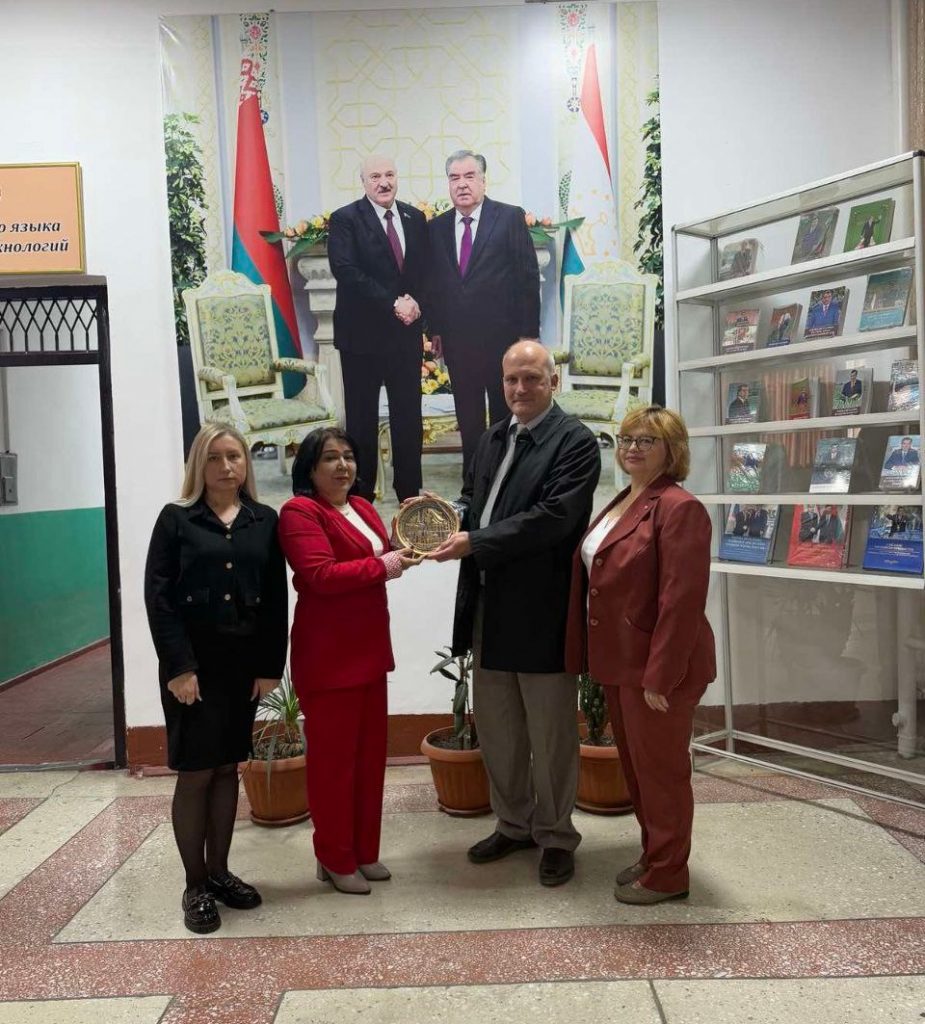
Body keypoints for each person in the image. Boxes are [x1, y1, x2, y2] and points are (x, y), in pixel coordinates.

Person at [429, 340, 600, 887]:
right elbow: (471, 497)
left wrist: (475, 542)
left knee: (550, 734)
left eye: (531, 378)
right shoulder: (493, 437)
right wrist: (442, 517)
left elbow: (554, 518)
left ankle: (556, 835)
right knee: (499, 728)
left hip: (542, 608)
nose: (520, 389)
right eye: (511, 380)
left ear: (553, 382)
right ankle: (514, 824)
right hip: (488, 604)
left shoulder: (575, 442)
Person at [564, 406, 715, 905]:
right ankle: (655, 855)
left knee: (662, 775)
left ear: (673, 449)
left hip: (659, 670)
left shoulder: (680, 507)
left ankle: (670, 873)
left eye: (647, 440)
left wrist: (660, 676)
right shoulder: (625, 499)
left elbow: (682, 600)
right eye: (627, 438)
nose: (632, 447)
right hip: (621, 662)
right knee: (638, 771)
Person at [144, 423, 288, 934]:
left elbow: (275, 600)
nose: (227, 466)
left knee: (228, 767)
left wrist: (270, 666)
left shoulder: (263, 520)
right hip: (194, 669)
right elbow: (159, 599)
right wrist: (179, 668)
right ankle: (195, 885)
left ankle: (221, 872)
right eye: (215, 457)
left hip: (242, 668)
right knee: (196, 771)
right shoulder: (177, 520)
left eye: (235, 456)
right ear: (198, 465)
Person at [278, 427, 421, 895]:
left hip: (370, 651)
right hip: (329, 657)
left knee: (368, 761)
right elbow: (320, 575)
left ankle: (362, 851)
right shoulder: (300, 512)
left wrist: (411, 532)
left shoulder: (361, 506)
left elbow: (384, 554)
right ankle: (335, 857)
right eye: (330, 458)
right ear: (310, 469)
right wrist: (387, 565)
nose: (343, 465)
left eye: (349, 456)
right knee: (333, 767)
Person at [424, 150, 540, 474]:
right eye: (454, 178)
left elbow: (528, 277)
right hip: (458, 341)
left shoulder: (508, 217)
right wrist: (435, 329)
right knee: (468, 416)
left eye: (469, 176)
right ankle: (474, 480)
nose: (462, 184)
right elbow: (433, 284)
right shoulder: (436, 228)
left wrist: (529, 336)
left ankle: (507, 476)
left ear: (483, 181)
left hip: (503, 339)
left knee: (506, 412)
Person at [327, 155, 428, 502]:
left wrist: (417, 302)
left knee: (408, 418)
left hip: (405, 336)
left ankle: (409, 495)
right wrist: (393, 303)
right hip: (361, 339)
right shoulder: (345, 219)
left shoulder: (415, 217)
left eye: (389, 174)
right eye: (375, 176)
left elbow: (426, 271)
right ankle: (361, 497)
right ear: (363, 182)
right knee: (361, 421)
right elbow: (346, 270)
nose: (383, 182)